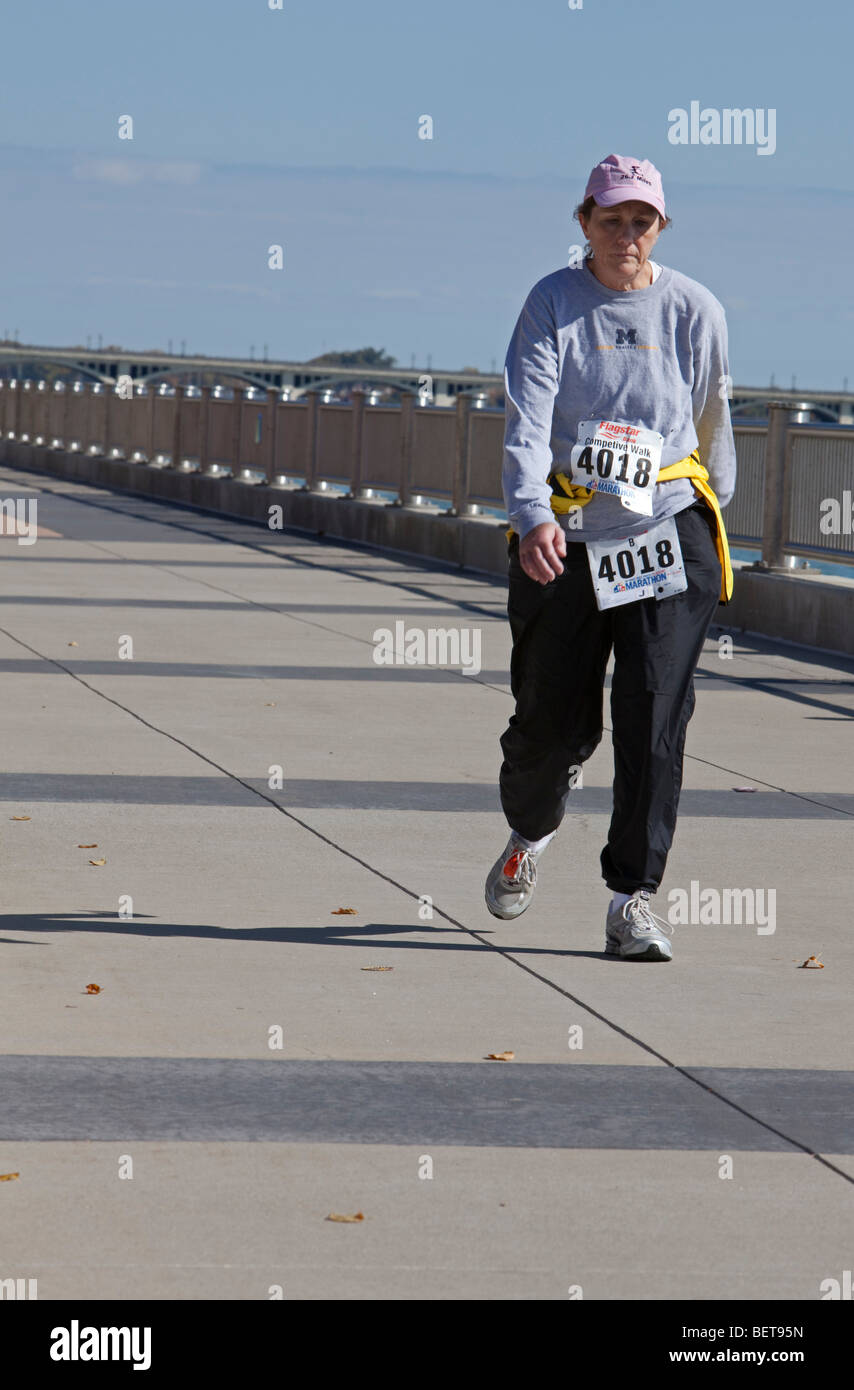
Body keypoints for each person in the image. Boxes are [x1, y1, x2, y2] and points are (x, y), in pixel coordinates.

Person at [485, 153, 736, 961]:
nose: (625, 234)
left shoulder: (694, 309)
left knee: (655, 709)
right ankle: (532, 826)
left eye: (641, 221)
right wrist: (531, 515)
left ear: (660, 226)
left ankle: (633, 898)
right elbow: (528, 418)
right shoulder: (553, 303)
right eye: (611, 219)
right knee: (548, 728)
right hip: (568, 532)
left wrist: (709, 505)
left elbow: (711, 415)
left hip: (666, 527)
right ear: (584, 222)